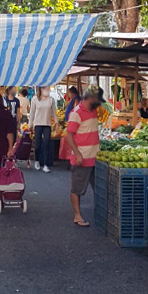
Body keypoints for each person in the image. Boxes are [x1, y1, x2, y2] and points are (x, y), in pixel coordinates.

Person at [64, 85, 103, 227]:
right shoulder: (76, 113)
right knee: (77, 188)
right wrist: (78, 154)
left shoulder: (93, 112)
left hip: (95, 158)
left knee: (98, 188)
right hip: (82, 158)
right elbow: (69, 136)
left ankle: (99, 215)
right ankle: (77, 215)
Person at [28, 86, 58, 173]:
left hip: (47, 124)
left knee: (46, 143)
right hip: (37, 124)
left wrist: (56, 123)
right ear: (40, 89)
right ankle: (37, 161)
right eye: (45, 88)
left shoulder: (51, 100)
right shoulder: (35, 99)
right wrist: (30, 125)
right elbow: (32, 112)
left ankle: (45, 164)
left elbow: (53, 112)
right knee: (37, 145)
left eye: (48, 88)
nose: (47, 89)